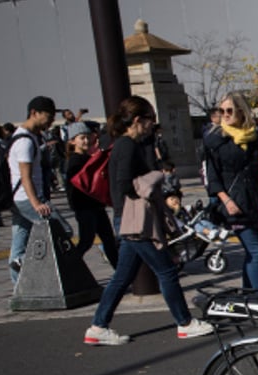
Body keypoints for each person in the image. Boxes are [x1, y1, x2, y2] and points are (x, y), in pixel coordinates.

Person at [83, 96, 215, 344]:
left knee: (122, 277)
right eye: (150, 120)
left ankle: (98, 326)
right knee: (166, 270)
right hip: (136, 218)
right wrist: (153, 179)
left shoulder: (122, 144)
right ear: (137, 120)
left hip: (128, 217)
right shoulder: (127, 145)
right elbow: (125, 184)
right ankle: (185, 322)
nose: (152, 126)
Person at [203, 91, 258, 291]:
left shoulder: (256, 137)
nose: (225, 115)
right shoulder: (215, 140)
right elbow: (212, 177)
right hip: (234, 203)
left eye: (229, 110)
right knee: (255, 250)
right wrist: (226, 201)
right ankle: (257, 296)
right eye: (221, 111)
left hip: (257, 201)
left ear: (241, 111)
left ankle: (249, 292)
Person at [7, 96, 73, 283]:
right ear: (34, 113)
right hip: (28, 199)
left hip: (19, 199)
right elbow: (25, 176)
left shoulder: (26, 137)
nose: (52, 120)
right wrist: (37, 203)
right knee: (63, 231)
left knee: (19, 243)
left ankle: (19, 285)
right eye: (49, 115)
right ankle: (25, 263)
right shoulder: (25, 142)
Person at [63, 121, 118, 268]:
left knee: (108, 240)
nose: (86, 140)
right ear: (73, 141)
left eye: (88, 137)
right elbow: (74, 187)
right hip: (84, 207)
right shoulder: (74, 161)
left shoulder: (88, 157)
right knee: (87, 241)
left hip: (96, 205)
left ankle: (120, 272)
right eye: (82, 138)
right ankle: (69, 268)